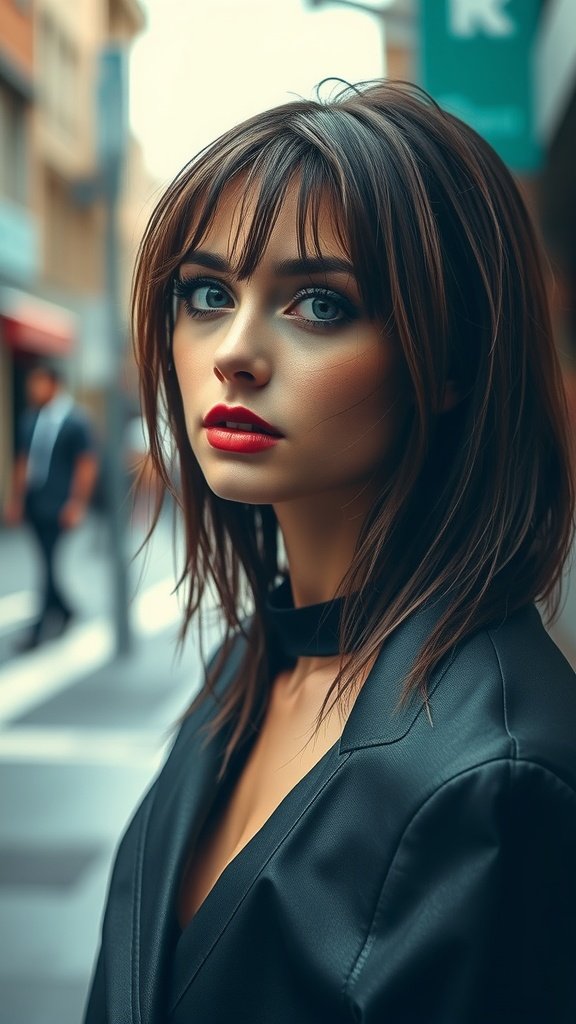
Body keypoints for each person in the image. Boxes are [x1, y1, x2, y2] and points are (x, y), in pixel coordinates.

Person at [84, 81, 576, 1023]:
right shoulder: (256, 663)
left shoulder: (499, 780)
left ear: (449, 363)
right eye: (206, 293)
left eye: (318, 303)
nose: (234, 351)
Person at [4, 361, 98, 649]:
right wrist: (16, 500)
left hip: (60, 504)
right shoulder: (30, 420)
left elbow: (86, 464)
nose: (33, 389)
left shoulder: (76, 420)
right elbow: (23, 461)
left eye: (38, 383)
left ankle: (39, 629)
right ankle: (65, 610)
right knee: (46, 562)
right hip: (35, 502)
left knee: (48, 564)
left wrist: (77, 504)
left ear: (55, 384)